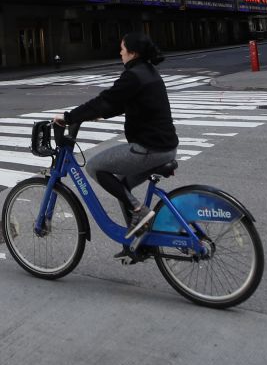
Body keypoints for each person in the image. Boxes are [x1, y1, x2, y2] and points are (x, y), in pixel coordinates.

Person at [53, 31, 178, 234]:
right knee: (121, 186)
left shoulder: (133, 76)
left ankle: (139, 210)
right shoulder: (147, 71)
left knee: (94, 167)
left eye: (122, 48)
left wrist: (68, 117)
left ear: (133, 52)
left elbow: (105, 100)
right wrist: (98, 114)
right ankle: (138, 239)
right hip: (165, 146)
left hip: (149, 148)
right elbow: (122, 103)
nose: (120, 52)